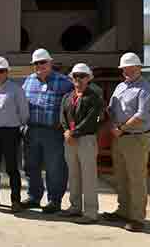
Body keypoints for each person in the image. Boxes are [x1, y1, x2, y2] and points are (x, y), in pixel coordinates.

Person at [103, 52, 150, 232]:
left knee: (136, 179)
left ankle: (137, 218)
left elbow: (142, 116)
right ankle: (123, 210)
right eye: (124, 68)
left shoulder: (147, 90)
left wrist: (121, 129)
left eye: (130, 68)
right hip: (119, 138)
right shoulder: (120, 87)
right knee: (121, 177)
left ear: (139, 68)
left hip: (135, 138)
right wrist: (112, 125)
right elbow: (111, 109)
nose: (126, 71)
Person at [21, 48, 74, 213]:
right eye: (36, 63)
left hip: (53, 132)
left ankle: (54, 200)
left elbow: (73, 106)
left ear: (50, 63)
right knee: (31, 165)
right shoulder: (28, 81)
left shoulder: (64, 82)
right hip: (31, 130)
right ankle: (34, 197)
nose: (39, 65)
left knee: (55, 167)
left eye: (43, 62)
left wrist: (69, 128)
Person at [0, 56, 29, 213]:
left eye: (1, 71)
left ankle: (15, 200)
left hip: (11, 132)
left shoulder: (17, 90)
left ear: (7, 72)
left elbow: (23, 112)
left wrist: (21, 127)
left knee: (11, 168)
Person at [60, 63, 103, 224]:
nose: (78, 79)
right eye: (75, 76)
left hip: (85, 140)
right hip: (69, 139)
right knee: (74, 175)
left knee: (88, 177)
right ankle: (75, 207)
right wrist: (66, 130)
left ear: (88, 78)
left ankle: (91, 212)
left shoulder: (94, 98)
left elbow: (91, 120)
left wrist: (73, 132)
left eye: (82, 76)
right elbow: (62, 115)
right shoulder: (68, 97)